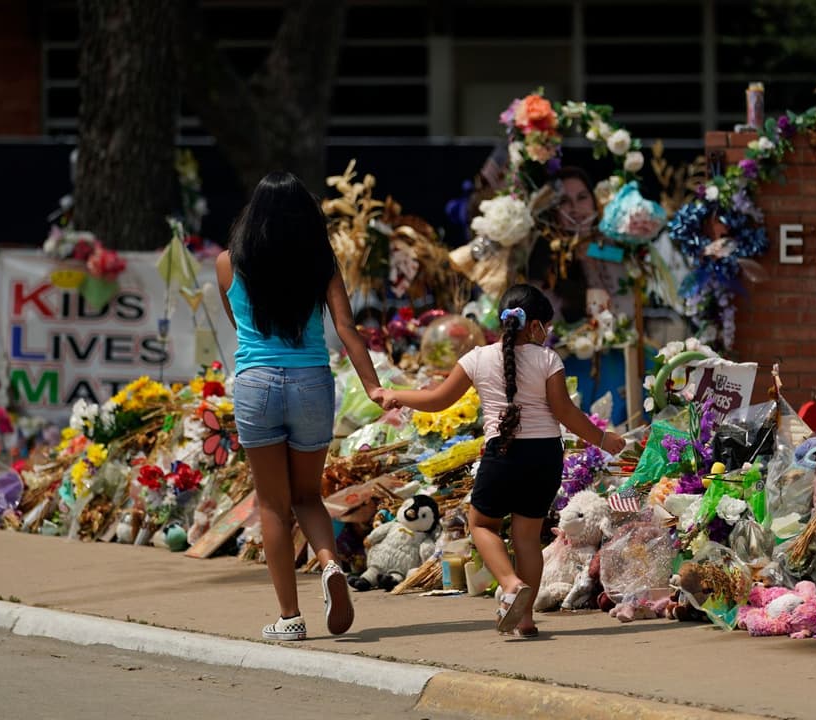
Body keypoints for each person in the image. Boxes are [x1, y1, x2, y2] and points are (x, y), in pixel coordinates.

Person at [387, 284, 626, 637]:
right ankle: (525, 619)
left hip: (503, 455)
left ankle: (510, 584)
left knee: (481, 525)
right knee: (527, 538)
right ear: (535, 326)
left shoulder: (478, 358)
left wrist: (395, 395)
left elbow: (438, 400)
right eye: (547, 326)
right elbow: (565, 412)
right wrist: (604, 439)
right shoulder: (548, 360)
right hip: (545, 456)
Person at [216, 171, 394, 642]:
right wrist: (374, 388)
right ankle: (330, 564)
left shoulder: (228, 263)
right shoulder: (321, 263)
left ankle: (290, 618)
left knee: (273, 506)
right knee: (308, 496)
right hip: (312, 382)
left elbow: (240, 326)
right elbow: (347, 330)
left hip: (257, 383)